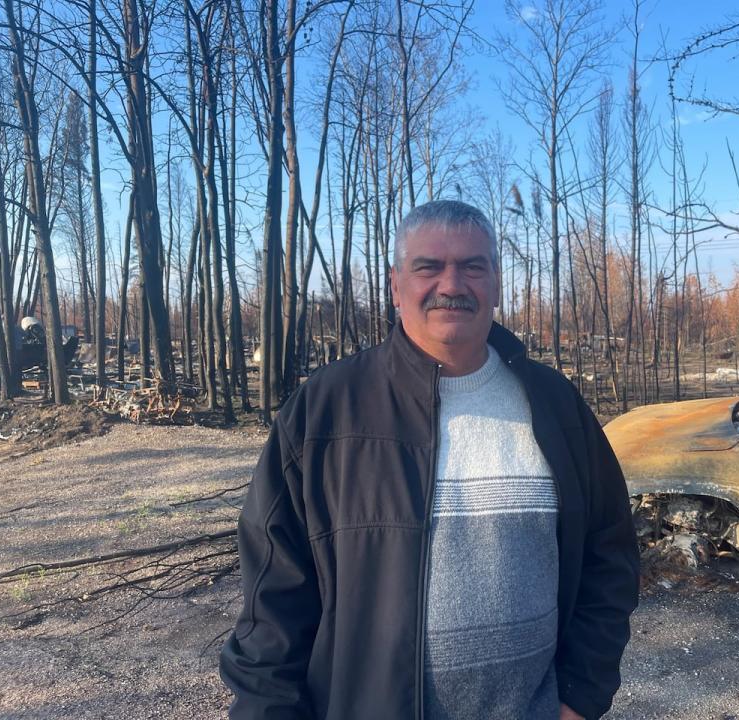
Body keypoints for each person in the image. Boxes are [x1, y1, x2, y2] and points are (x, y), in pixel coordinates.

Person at [220, 200, 639, 720]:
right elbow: (273, 603)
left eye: (472, 266)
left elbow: (610, 554)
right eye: (428, 267)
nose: (452, 284)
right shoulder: (326, 413)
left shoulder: (556, 406)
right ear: (396, 285)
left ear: (495, 283)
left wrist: (581, 694)